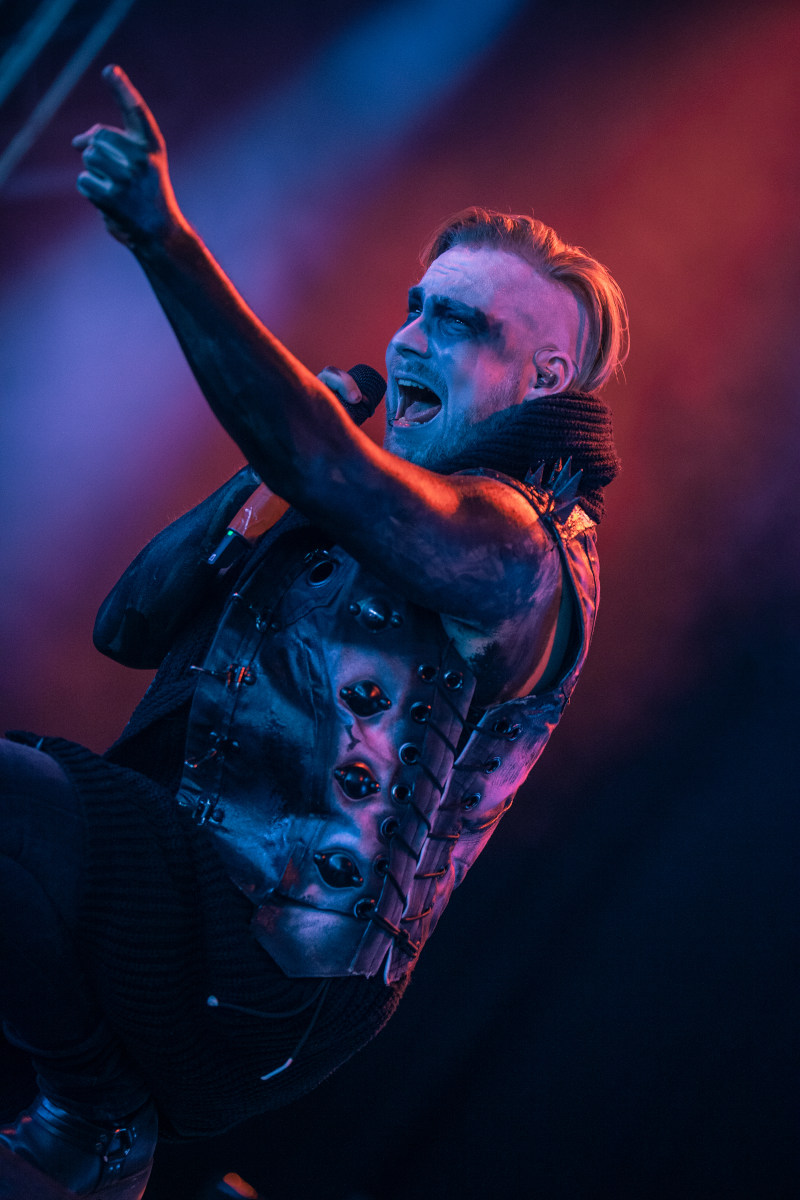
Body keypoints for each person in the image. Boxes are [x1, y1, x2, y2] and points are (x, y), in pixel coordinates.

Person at [0, 64, 626, 1198]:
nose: (410, 341)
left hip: (268, 959)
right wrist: (264, 479)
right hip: (175, 875)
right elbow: (125, 625)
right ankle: (110, 1129)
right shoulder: (344, 508)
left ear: (543, 378)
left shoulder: (522, 553)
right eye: (414, 307)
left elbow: (328, 468)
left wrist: (164, 240)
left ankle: (97, 1116)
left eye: (458, 324)